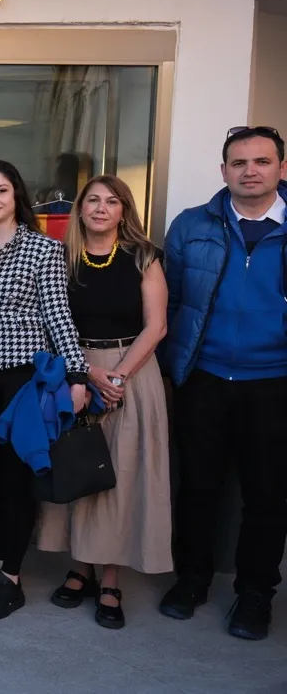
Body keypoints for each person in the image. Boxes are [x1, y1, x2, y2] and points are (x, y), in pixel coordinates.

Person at [159, 125, 287, 641]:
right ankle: (192, 579)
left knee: (268, 495)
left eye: (261, 161)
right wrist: (172, 371)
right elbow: (167, 303)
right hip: (205, 378)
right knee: (198, 486)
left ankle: (256, 593)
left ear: (281, 167)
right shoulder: (191, 226)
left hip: (275, 383)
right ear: (223, 171)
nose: (250, 171)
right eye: (239, 163)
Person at [0, 159, 89, 621]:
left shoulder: (42, 250)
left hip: (25, 375)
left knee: (14, 475)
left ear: (16, 197)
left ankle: (11, 578)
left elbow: (58, 317)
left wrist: (77, 377)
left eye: (1, 191)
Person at [35, 174, 171, 630]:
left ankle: (110, 578)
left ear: (124, 210)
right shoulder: (61, 258)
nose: (100, 208)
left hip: (132, 369)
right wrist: (90, 374)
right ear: (80, 209)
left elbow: (156, 327)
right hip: (77, 371)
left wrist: (116, 376)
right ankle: (80, 568)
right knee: (78, 467)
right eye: (92, 200)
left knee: (120, 478)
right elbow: (52, 321)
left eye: (111, 201)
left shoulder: (144, 257)